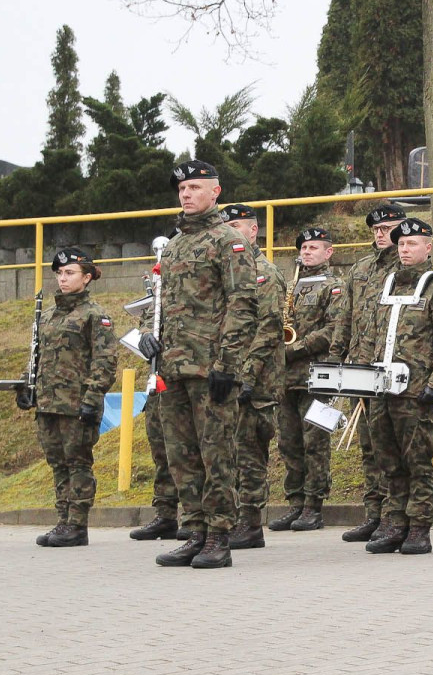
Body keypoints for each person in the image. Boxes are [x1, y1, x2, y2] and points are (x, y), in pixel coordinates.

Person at [141, 160, 258, 569]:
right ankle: (193, 532)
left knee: (216, 455)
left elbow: (243, 304)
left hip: (210, 368)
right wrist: (147, 335)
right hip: (171, 368)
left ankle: (219, 536)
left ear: (215, 192)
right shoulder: (173, 245)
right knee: (181, 455)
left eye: (194, 187)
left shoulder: (228, 241)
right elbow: (159, 303)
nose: (186, 194)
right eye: (182, 188)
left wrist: (228, 364)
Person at [364, 218, 433, 556]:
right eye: (401, 244)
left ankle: (419, 527)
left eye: (412, 244)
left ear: (428, 247)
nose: (405, 249)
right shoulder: (388, 285)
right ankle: (395, 523)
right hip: (382, 389)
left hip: (416, 391)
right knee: (389, 462)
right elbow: (373, 336)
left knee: (418, 462)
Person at [19, 248, 118, 548]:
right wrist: (27, 386)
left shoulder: (94, 315)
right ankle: (63, 519)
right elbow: (37, 356)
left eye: (70, 273)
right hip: (49, 402)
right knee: (57, 462)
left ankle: (77, 523)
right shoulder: (47, 315)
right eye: (60, 273)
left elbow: (105, 361)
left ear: (87, 278)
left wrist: (93, 396)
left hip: (77, 402)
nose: (63, 278)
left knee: (77, 462)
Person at [329, 202, 407, 542]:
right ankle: (373, 513)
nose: (380, 233)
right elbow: (344, 315)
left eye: (387, 227)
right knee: (367, 445)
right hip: (359, 365)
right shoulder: (360, 269)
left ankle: (394, 515)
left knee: (390, 446)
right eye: (375, 229)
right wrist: (336, 356)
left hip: (389, 367)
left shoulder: (409, 267)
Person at [268, 228, 345, 533]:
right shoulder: (290, 286)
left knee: (315, 442)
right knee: (289, 442)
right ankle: (295, 504)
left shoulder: (335, 286)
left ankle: (314, 506)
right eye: (303, 247)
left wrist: (293, 349)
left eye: (314, 247)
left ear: (329, 252)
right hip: (286, 378)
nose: (307, 252)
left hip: (318, 375)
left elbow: (333, 330)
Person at [217, 204, 286, 551]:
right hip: (227, 377)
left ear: (253, 230)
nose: (230, 232)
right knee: (226, 451)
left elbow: (269, 328)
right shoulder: (227, 272)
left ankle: (250, 522)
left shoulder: (264, 273)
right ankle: (228, 518)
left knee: (249, 452)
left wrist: (246, 375)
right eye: (225, 226)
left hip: (256, 382)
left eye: (236, 226)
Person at [129, 231, 188, 543]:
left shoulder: (193, 289)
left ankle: (195, 516)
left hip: (186, 377)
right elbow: (146, 323)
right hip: (158, 379)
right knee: (161, 450)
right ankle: (165, 514)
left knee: (189, 450)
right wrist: (144, 338)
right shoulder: (159, 290)